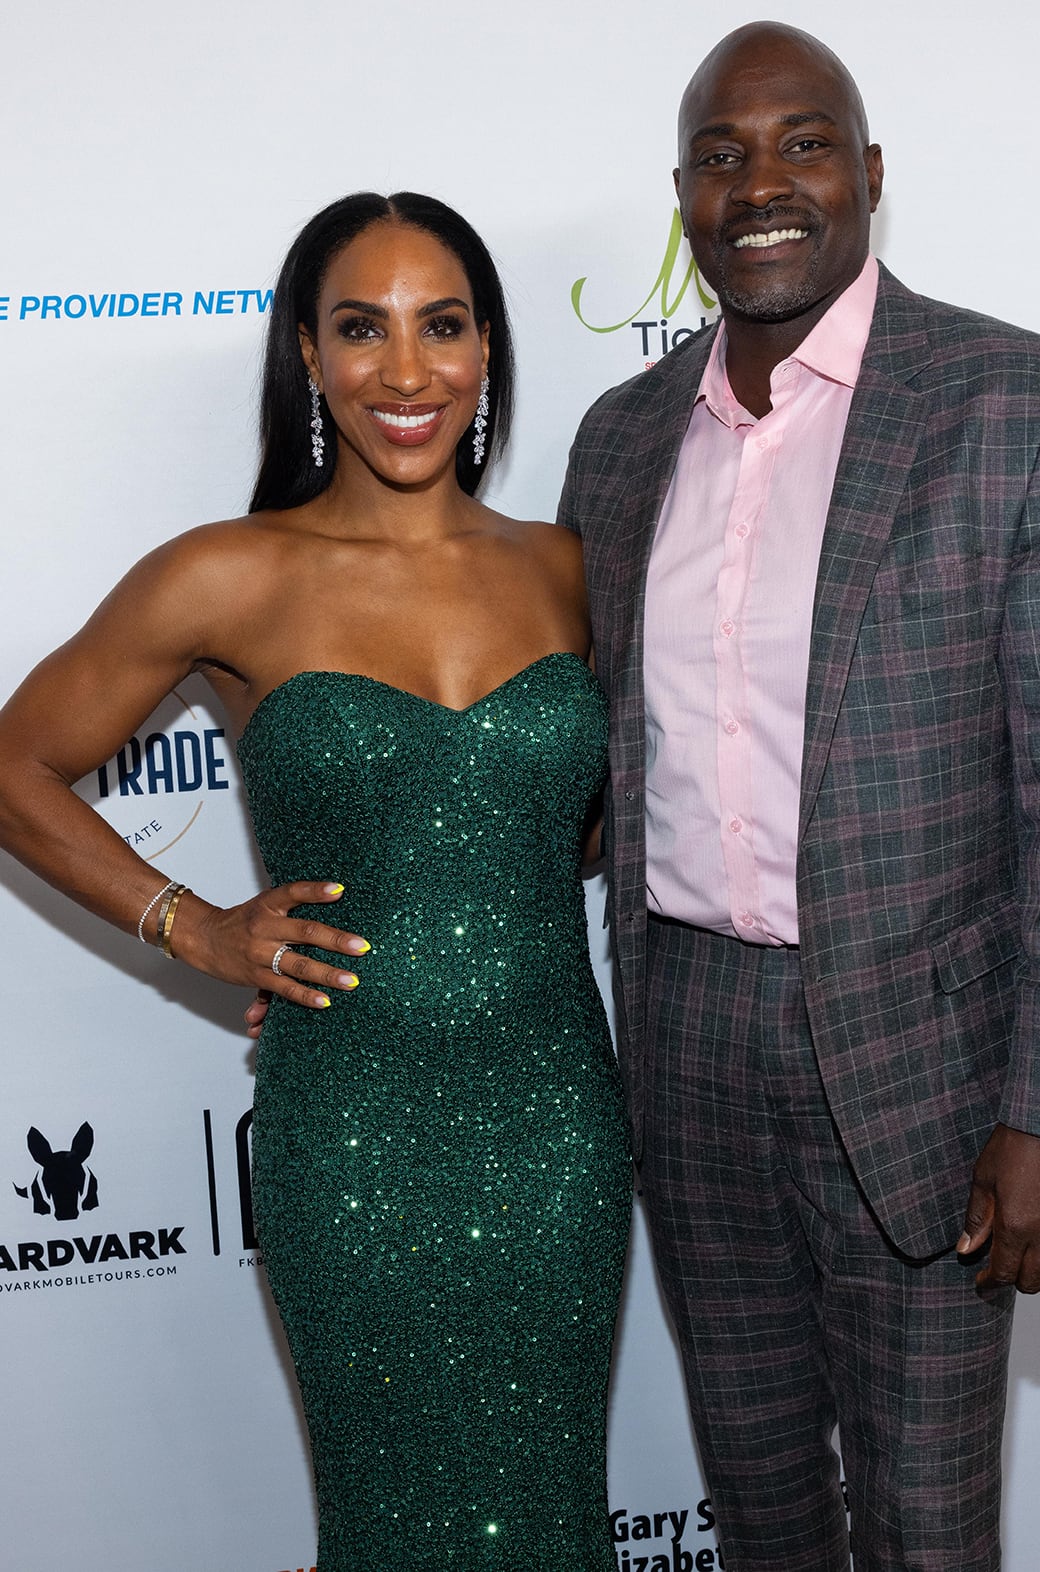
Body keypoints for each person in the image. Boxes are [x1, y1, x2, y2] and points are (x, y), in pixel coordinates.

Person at [557, 22, 1040, 1572]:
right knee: (760, 1516)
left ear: (870, 173)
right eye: (721, 155)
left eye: (802, 142)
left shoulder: (1022, 403)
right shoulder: (620, 446)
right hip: (685, 1048)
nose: (762, 182)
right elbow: (589, 762)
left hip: (925, 1064)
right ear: (683, 198)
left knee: (925, 1529)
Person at [0, 191, 629, 1571]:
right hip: (352, 1143)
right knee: (392, 1521)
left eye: (442, 325)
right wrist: (192, 928)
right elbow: (17, 766)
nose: (407, 370)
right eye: (363, 328)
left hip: (555, 1131)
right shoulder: (232, 571)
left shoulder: (573, 569)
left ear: (485, 351)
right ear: (307, 356)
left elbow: (585, 821)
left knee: (552, 1516)